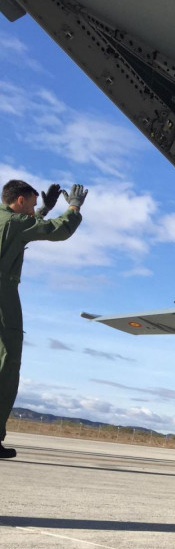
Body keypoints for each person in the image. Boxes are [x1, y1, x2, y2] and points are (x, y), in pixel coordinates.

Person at [0, 180, 87, 459]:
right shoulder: (15, 223)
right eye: (34, 203)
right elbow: (57, 231)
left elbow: (22, 228)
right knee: (7, 362)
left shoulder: (7, 220)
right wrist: (72, 208)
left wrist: (44, 210)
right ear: (21, 200)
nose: (36, 208)